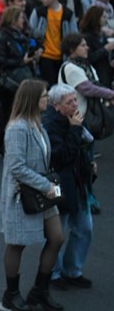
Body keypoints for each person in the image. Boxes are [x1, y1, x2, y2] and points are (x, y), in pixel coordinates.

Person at [0, 79, 64, 311]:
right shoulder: (18, 128)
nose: (47, 99)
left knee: (56, 238)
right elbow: (16, 166)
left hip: (40, 193)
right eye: (44, 95)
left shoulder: (38, 124)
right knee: (17, 244)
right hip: (22, 195)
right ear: (33, 99)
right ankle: (11, 294)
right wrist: (45, 185)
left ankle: (39, 291)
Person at [42, 84, 95, 291]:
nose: (75, 104)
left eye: (75, 100)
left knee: (85, 229)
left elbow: (83, 147)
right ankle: (53, 274)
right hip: (61, 187)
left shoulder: (74, 119)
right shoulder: (51, 126)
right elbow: (62, 156)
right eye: (69, 102)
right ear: (56, 106)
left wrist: (89, 163)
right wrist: (74, 129)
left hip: (79, 184)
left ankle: (73, 270)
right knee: (58, 233)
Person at [0, 6, 43, 157]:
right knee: (9, 114)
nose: (23, 21)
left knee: (17, 113)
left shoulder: (20, 35)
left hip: (22, 78)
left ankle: (12, 144)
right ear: (13, 19)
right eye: (20, 18)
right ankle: (1, 142)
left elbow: (31, 45)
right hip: (9, 83)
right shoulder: (3, 37)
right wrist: (22, 61)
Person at [57, 33, 114, 119]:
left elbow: (97, 84)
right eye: (83, 45)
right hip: (78, 117)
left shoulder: (86, 65)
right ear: (72, 49)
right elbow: (88, 89)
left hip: (91, 113)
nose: (87, 48)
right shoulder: (71, 68)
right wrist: (111, 94)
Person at [78, 6, 114, 89]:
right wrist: (105, 49)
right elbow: (89, 58)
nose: (105, 19)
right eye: (103, 17)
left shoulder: (102, 36)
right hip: (96, 75)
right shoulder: (87, 37)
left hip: (106, 74)